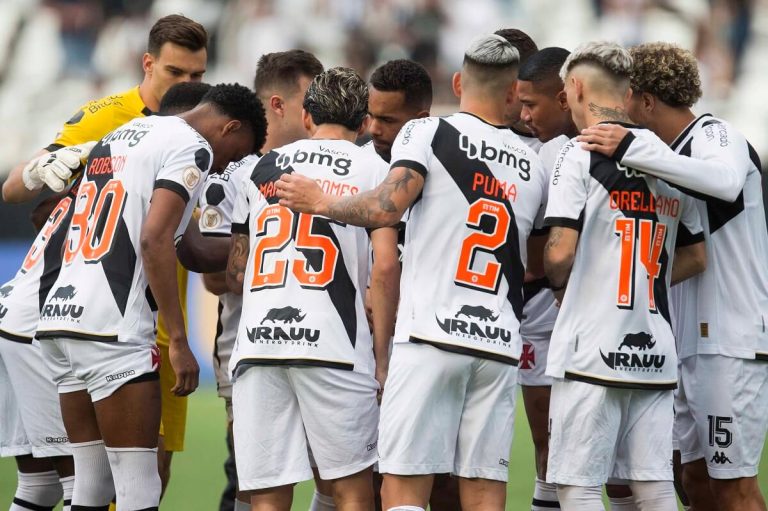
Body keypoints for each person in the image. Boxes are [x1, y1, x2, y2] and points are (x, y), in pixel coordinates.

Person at [276, 34, 546, 511]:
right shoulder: (532, 163)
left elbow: (386, 208)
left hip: (430, 338)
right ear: (511, 94)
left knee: (403, 488)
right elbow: (538, 256)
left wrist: (322, 202)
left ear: (459, 82)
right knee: (484, 490)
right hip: (498, 343)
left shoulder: (427, 134)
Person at [1, 14, 210, 496]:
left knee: (152, 475)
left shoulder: (203, 129)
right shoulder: (107, 115)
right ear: (147, 64)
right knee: (104, 482)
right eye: (175, 73)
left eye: (197, 75)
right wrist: (41, 173)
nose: (188, 85)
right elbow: (15, 187)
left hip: (161, 316)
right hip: (99, 324)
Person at [34, 83, 264, 511]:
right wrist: (178, 340)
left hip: (61, 318)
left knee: (91, 485)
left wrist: (259, 247)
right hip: (113, 329)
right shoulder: (192, 148)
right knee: (139, 485)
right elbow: (154, 239)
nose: (221, 169)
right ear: (230, 126)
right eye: (233, 154)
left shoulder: (123, 136)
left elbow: (189, 247)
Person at [578, 42, 768, 511]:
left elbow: (723, 181)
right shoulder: (662, 154)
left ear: (645, 100)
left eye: (627, 95)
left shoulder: (714, 134)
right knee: (692, 478)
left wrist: (634, 148)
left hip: (730, 339)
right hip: (682, 340)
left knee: (734, 486)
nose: (621, 106)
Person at [542, 41, 707, 510]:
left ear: (574, 87)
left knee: (579, 484)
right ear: (628, 89)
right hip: (654, 347)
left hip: (591, 346)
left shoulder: (580, 153)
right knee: (652, 484)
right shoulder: (668, 159)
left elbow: (559, 251)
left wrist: (561, 284)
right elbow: (696, 258)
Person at [226, 67, 399, 510]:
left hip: (259, 342)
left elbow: (237, 271)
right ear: (363, 124)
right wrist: (383, 360)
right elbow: (384, 268)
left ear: (306, 116)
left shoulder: (263, 167)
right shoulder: (376, 167)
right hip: (334, 343)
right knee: (351, 490)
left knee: (267, 495)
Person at [194, 49, 324, 511]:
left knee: (337, 478)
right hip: (247, 352)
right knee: (250, 483)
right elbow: (212, 281)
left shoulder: (327, 171)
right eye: (310, 102)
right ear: (276, 105)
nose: (317, 115)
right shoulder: (232, 173)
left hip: (322, 349)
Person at [514, 46, 577, 511]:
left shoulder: (582, 148)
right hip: (542, 308)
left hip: (590, 310)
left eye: (530, 103)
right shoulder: (535, 150)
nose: (522, 113)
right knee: (549, 437)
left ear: (562, 96)